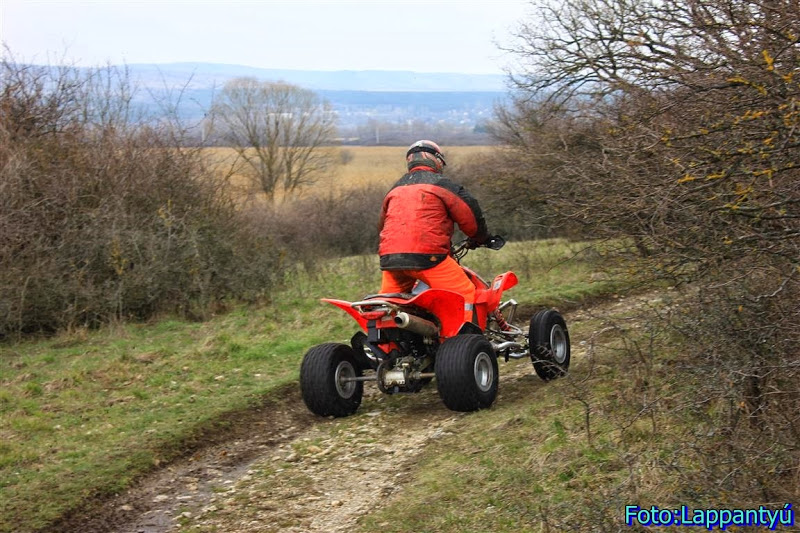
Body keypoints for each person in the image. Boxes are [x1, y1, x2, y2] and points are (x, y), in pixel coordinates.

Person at [377, 140, 490, 324]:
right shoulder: (442, 185)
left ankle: (388, 347)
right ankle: (464, 342)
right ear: (436, 160)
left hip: (391, 260)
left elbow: (382, 225)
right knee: (464, 294)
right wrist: (481, 237)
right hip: (429, 258)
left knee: (388, 304)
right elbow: (470, 217)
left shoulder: (395, 189)